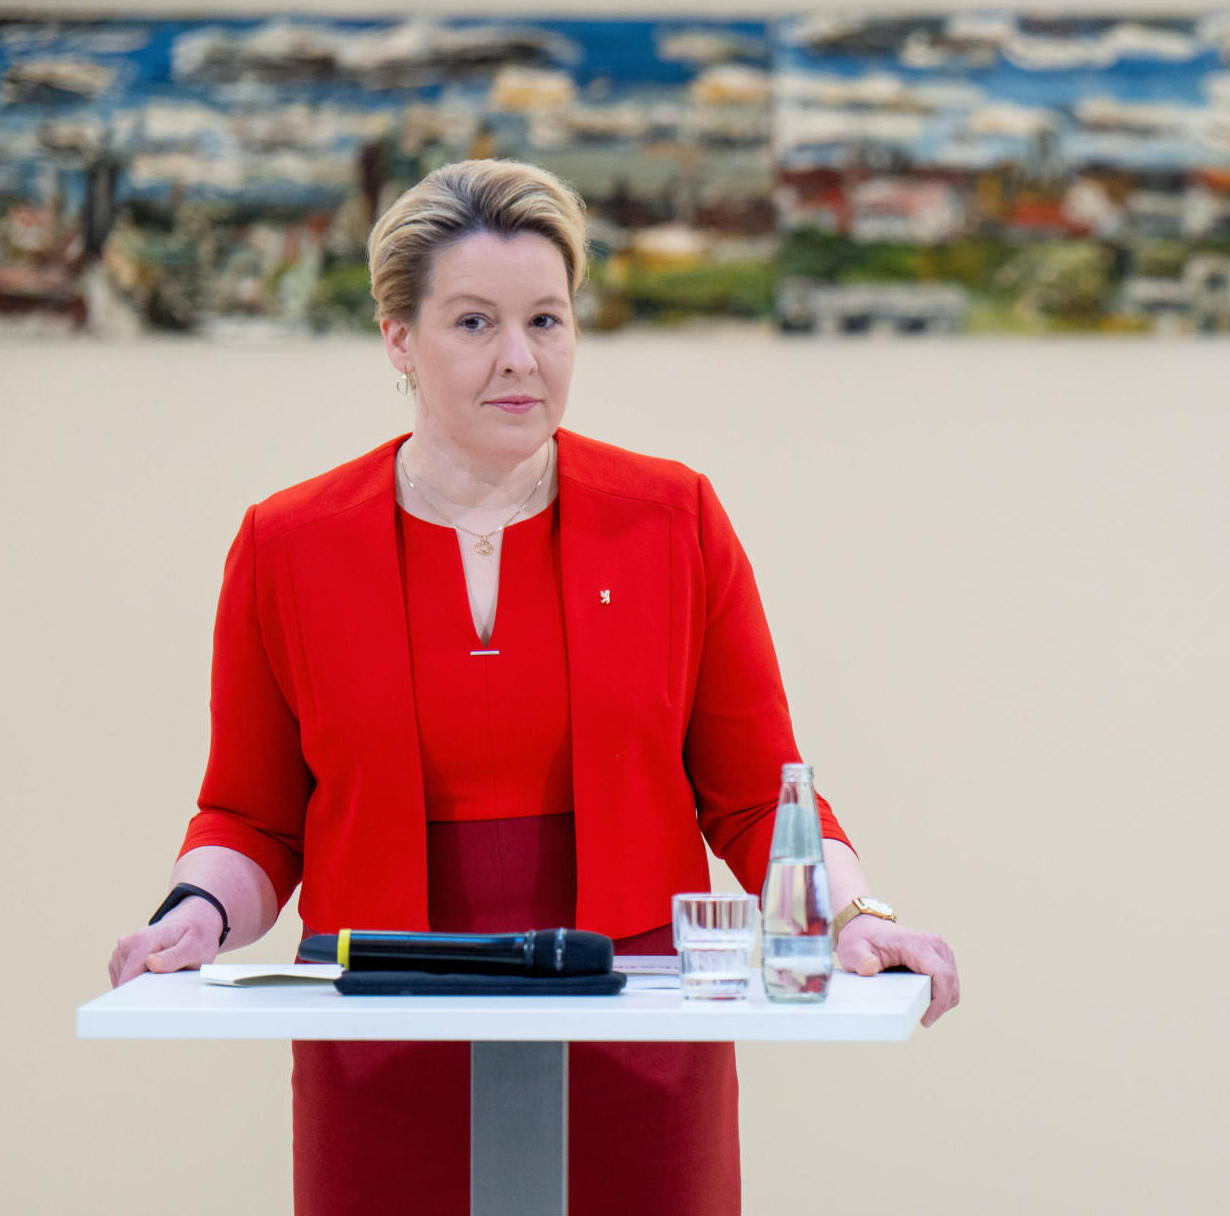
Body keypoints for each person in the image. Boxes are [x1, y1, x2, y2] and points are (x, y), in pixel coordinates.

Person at [106, 158, 960, 1215]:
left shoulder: (675, 518)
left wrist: (852, 916)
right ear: (399, 341)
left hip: (638, 1035)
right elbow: (251, 816)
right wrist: (193, 913)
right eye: (474, 323)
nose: (520, 359)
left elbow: (760, 796)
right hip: (382, 1040)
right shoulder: (287, 546)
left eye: (547, 321)